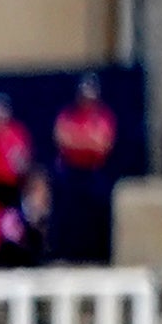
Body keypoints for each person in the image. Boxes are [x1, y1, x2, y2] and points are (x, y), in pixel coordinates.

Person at [47, 76, 122, 265]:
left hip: (93, 171)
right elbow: (62, 138)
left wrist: (79, 141)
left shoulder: (103, 117)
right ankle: (65, 253)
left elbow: (103, 144)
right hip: (72, 171)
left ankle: (99, 254)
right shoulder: (68, 115)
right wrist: (87, 141)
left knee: (98, 210)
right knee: (67, 213)